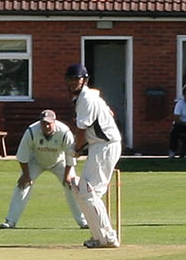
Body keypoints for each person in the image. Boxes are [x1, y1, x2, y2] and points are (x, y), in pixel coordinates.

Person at [65, 64, 122, 249]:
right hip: (101, 146)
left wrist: (77, 148)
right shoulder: (89, 97)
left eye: (77, 79)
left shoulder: (87, 99)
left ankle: (107, 237)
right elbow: (110, 113)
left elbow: (82, 130)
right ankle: (100, 236)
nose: (74, 82)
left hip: (104, 147)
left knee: (89, 192)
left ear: (85, 80)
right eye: (71, 79)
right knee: (85, 191)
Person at [0, 109, 88, 229]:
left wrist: (67, 175)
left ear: (54, 122)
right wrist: (26, 176)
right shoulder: (31, 131)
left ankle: (83, 221)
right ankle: (10, 221)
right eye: (44, 123)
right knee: (22, 186)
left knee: (72, 185)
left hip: (60, 162)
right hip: (36, 161)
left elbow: (70, 155)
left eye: (49, 123)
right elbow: (23, 155)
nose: (46, 126)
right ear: (40, 122)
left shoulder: (64, 132)